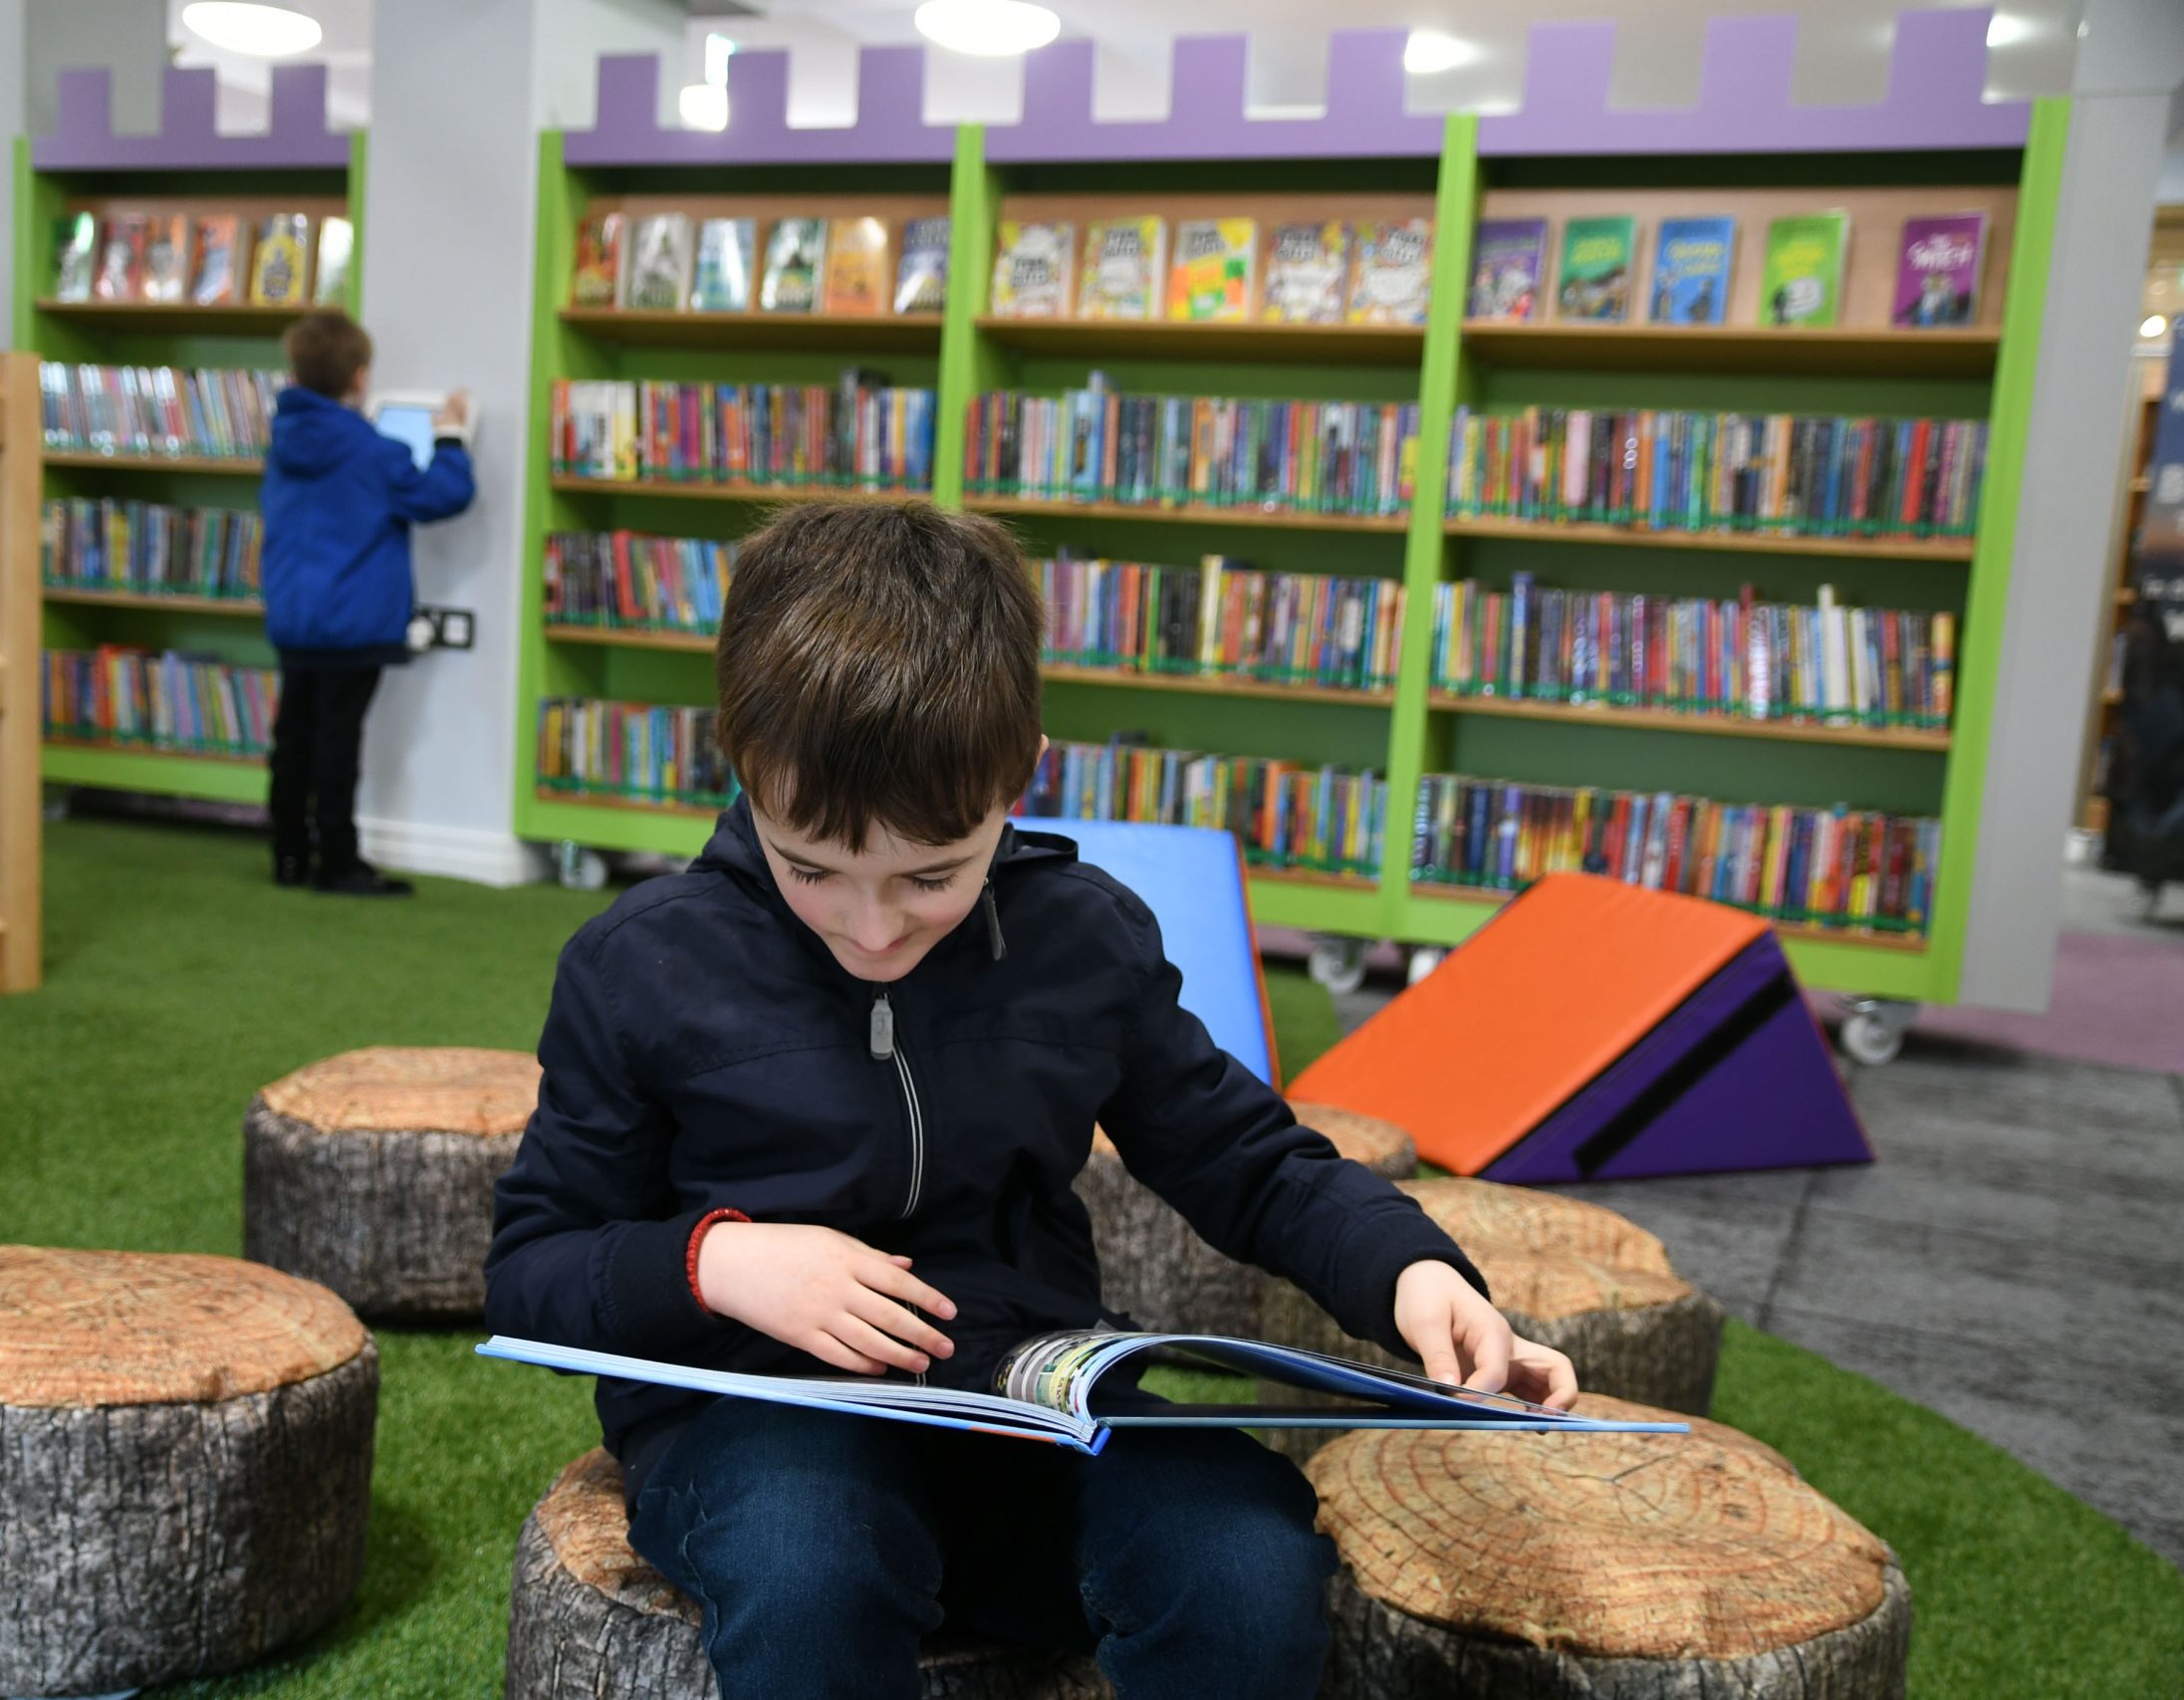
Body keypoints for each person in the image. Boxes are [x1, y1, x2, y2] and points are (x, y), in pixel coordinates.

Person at [483, 501, 1578, 1699]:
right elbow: (533, 1271)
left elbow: (1243, 1157)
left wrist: (1415, 1276)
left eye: (930, 875)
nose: (872, 926)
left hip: (1027, 1401)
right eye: (812, 869)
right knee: (810, 1568)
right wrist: (716, 1265)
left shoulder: (1082, 936)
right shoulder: (641, 964)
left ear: (1019, 778)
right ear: (742, 767)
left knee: (1240, 1554)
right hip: (763, 1429)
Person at [260, 309, 474, 896]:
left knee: (294, 737)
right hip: (353, 621)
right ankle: (339, 862)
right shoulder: (371, 450)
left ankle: (287, 852)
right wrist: (452, 433)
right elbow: (444, 494)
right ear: (359, 378)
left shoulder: (282, 441)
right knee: (337, 743)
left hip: (294, 617)